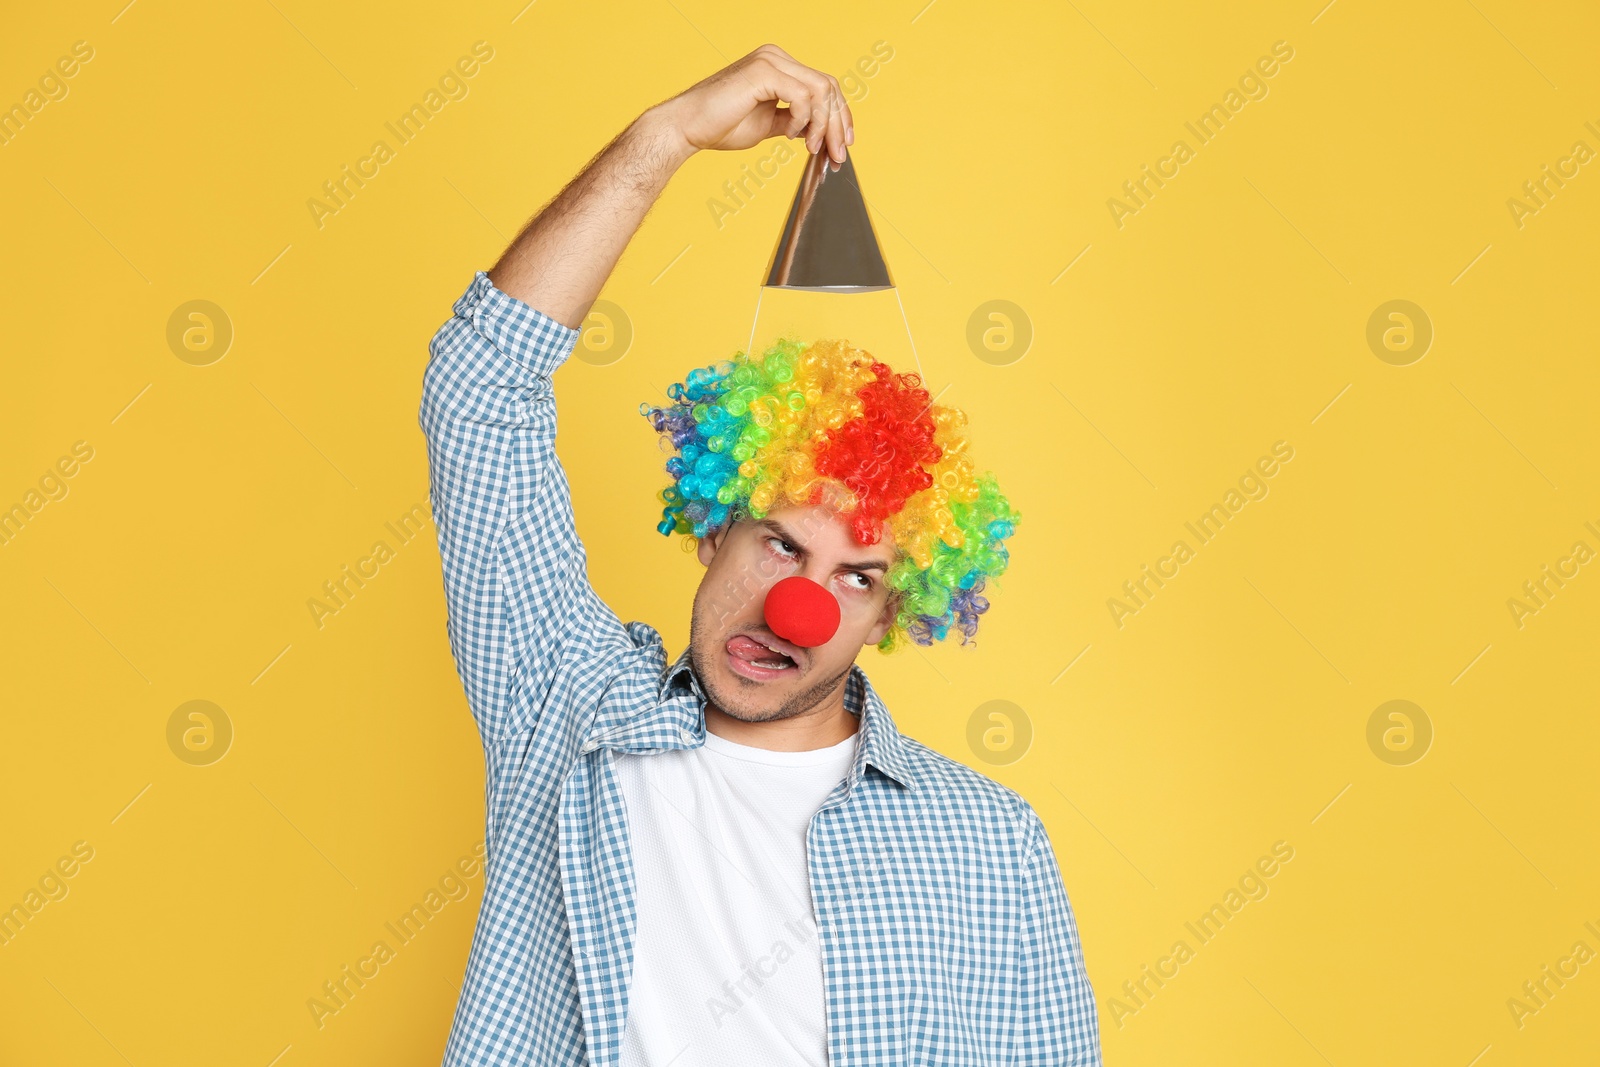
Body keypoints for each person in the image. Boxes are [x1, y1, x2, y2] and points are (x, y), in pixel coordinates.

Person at [419, 43, 1100, 1067]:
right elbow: (478, 389)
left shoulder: (990, 842)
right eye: (781, 542)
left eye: (857, 577)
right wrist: (666, 138)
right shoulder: (563, 709)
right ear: (711, 524)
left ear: (896, 609)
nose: (800, 608)